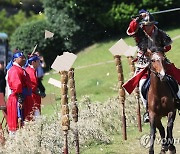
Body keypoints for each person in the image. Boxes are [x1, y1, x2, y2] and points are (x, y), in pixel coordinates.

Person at [125, 9, 180, 122]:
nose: (148, 27)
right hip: (144, 63)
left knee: (175, 77)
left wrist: (160, 51)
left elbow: (168, 45)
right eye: (146, 25)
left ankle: (178, 100)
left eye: (150, 25)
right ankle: (147, 110)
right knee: (141, 85)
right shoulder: (139, 33)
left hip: (159, 61)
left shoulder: (159, 33)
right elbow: (131, 28)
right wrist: (139, 18)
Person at [6, 51, 33, 136]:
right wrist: (20, 99)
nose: (24, 59)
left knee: (25, 121)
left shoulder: (20, 69)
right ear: (15, 59)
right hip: (17, 98)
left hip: (24, 96)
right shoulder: (14, 70)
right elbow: (16, 85)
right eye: (22, 57)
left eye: (24, 57)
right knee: (17, 121)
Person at [25, 54, 41, 118]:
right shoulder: (30, 71)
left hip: (33, 95)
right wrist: (39, 92)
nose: (39, 63)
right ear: (33, 62)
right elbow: (33, 86)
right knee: (36, 115)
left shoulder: (31, 70)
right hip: (32, 97)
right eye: (38, 61)